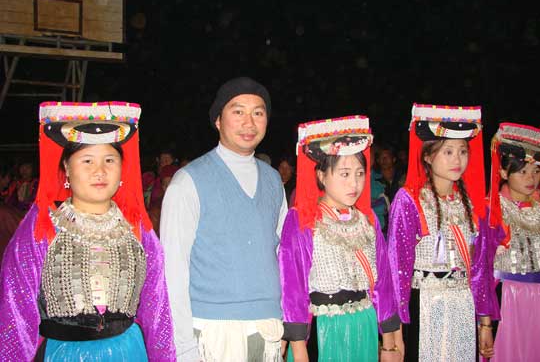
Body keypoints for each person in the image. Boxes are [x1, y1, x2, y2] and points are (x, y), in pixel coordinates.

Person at [0, 101, 176, 361]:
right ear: (67, 168)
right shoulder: (42, 226)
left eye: (109, 160)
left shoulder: (138, 229)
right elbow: (16, 312)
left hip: (129, 352)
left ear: (122, 168)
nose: (100, 171)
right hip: (64, 354)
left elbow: (157, 310)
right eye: (87, 161)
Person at [160, 77, 288, 361]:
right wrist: (184, 346)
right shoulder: (188, 181)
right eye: (238, 111)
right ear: (218, 120)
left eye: (258, 112)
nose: (249, 122)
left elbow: (281, 255)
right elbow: (172, 270)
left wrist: (282, 321)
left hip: (268, 329)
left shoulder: (273, 181)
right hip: (211, 330)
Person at [279, 115, 402, 361]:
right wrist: (299, 349)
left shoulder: (367, 220)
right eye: (344, 174)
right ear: (321, 176)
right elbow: (293, 288)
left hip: (365, 325)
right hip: (324, 329)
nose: (354, 183)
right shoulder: (303, 220)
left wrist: (389, 344)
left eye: (360, 173)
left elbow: (383, 282)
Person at [387, 103, 495, 361]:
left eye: (462, 151)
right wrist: (395, 333)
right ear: (427, 156)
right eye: (448, 151)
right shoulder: (410, 200)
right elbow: (397, 268)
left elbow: (480, 267)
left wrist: (485, 322)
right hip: (424, 303)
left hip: (463, 304)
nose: (457, 159)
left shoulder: (471, 204)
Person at [487, 123, 540, 362]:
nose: (531, 178)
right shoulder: (492, 209)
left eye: (536, 171)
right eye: (523, 172)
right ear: (503, 172)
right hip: (507, 298)